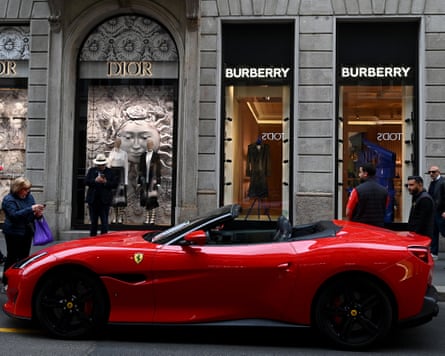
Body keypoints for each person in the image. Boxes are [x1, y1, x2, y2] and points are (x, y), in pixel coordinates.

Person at [1, 177, 45, 289]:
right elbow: (14, 216)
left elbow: (30, 214)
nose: (26, 192)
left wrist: (37, 214)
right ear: (17, 189)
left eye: (28, 190)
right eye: (24, 190)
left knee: (24, 257)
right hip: (13, 232)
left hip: (26, 230)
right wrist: (30, 209)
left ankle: (20, 279)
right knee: (12, 257)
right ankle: (7, 281)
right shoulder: (9, 199)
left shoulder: (29, 197)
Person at [85, 153, 118, 236]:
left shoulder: (110, 172)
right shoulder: (92, 171)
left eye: (102, 165)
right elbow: (86, 181)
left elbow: (114, 184)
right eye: (99, 165)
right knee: (93, 222)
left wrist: (105, 182)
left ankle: (104, 239)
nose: (101, 166)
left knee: (104, 221)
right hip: (93, 200)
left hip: (104, 201)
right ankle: (92, 239)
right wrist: (95, 180)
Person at [346, 163, 388, 227]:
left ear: (365, 174)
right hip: (378, 228)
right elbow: (385, 208)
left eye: (360, 172)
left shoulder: (357, 190)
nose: (359, 175)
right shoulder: (384, 191)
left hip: (360, 228)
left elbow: (348, 212)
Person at [138, 139, 161, 225]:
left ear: (153, 145)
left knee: (153, 199)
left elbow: (158, 169)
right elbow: (140, 169)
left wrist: (158, 182)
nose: (149, 145)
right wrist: (139, 181)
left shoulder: (156, 156)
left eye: (151, 144)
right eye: (148, 144)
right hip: (145, 180)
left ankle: (152, 218)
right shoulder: (143, 155)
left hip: (153, 181)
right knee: (145, 199)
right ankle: (147, 218)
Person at [107, 138, 128, 224]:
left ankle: (120, 217)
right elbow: (108, 165)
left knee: (121, 197)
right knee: (113, 196)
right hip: (113, 173)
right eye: (116, 142)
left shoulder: (124, 153)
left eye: (119, 143)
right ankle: (115, 217)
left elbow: (126, 166)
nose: (117, 144)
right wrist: (108, 178)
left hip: (121, 174)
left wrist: (126, 180)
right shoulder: (111, 153)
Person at [426, 165, 445, 260]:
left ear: (438, 172)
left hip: (441, 212)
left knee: (444, 231)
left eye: (433, 172)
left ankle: (434, 252)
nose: (431, 174)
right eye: (430, 172)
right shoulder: (432, 183)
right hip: (434, 211)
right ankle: (434, 252)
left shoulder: (443, 182)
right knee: (434, 232)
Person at [407, 175, 434, 240]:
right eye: (408, 185)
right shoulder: (417, 196)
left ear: (420, 184)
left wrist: (414, 236)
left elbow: (423, 222)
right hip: (416, 236)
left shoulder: (425, 199)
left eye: (411, 185)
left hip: (421, 237)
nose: (408, 187)